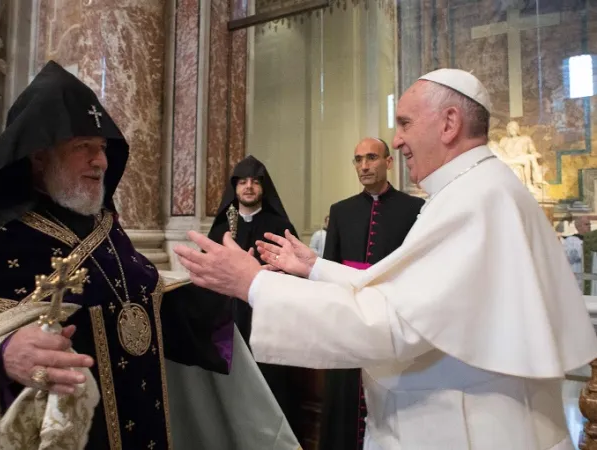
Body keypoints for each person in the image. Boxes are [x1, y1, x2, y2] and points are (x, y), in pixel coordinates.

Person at [174, 68, 597, 449]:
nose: (397, 140)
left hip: (466, 428)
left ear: (449, 123)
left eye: (405, 124)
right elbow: (405, 294)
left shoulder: (478, 199)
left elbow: (393, 323)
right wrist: (315, 267)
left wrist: (255, 284)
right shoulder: (472, 190)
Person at [0, 61, 300, 450]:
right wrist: (2, 356)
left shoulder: (104, 225)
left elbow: (140, 299)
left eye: (101, 147)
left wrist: (234, 283)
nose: (100, 160)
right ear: (38, 155)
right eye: (82, 147)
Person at [320, 137, 424, 450]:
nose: (364, 166)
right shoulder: (341, 211)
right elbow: (328, 270)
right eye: (358, 160)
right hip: (349, 322)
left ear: (388, 162)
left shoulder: (415, 209)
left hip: (392, 323)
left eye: (371, 158)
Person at [207, 154, 302, 434]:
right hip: (227, 323)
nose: (249, 187)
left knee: (269, 389)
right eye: (243, 182)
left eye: (255, 182)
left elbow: (296, 274)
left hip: (267, 321)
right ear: (234, 187)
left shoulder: (279, 226)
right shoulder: (222, 228)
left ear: (264, 187)